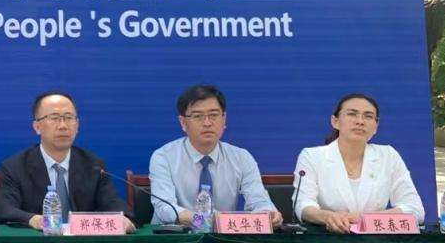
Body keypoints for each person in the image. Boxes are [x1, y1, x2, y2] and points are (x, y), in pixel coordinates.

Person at [0, 91, 135, 231]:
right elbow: (5, 209)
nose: (63, 126)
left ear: (77, 125)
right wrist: (34, 220)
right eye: (54, 118)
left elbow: (112, 202)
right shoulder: (15, 167)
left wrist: (123, 218)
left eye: (69, 118)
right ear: (37, 127)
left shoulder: (94, 166)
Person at [148, 84, 282, 228]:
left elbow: (258, 200)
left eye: (213, 115)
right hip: (175, 237)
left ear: (224, 119)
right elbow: (165, 209)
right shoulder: (164, 157)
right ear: (183, 122)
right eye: (198, 116)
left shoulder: (242, 158)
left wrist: (268, 213)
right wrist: (206, 221)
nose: (207, 123)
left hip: (222, 237)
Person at [294, 93, 424, 232]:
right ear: (335, 121)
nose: (360, 121)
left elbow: (415, 209)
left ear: (376, 126)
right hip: (328, 236)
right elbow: (303, 205)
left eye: (368, 116)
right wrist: (327, 217)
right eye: (352, 114)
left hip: (376, 238)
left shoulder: (388, 155)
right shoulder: (312, 156)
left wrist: (364, 219)